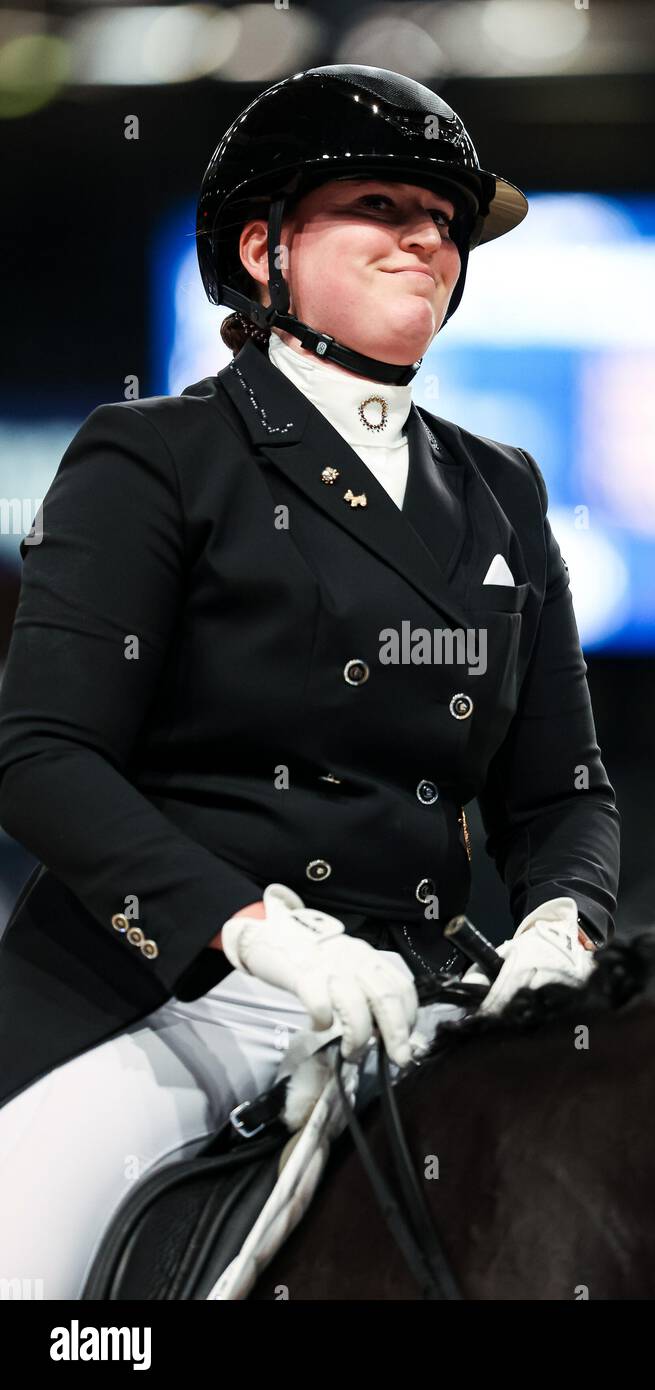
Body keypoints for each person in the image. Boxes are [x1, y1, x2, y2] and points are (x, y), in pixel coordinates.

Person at [0, 64, 620, 1299]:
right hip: (173, 998)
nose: (426, 241)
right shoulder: (156, 457)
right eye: (382, 205)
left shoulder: (502, 490)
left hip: (421, 997)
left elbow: (562, 794)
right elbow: (43, 759)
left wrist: (562, 923)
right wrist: (260, 932)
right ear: (263, 246)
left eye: (442, 222)